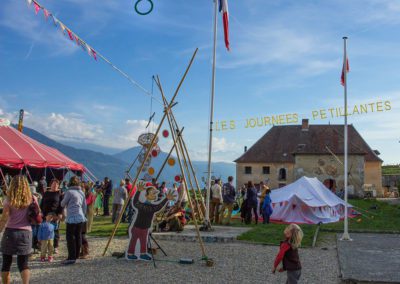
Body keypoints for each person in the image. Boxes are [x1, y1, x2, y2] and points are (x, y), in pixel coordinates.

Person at [0, 175, 35, 284]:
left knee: (6, 262)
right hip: (26, 233)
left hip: (10, 232)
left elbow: (4, 218)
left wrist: (0, 229)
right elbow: (36, 215)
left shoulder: (8, 200)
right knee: (23, 263)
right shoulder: (32, 199)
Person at [126, 181, 174, 261]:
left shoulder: (151, 206)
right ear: (146, 195)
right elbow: (135, 203)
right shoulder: (144, 206)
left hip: (145, 228)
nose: (154, 195)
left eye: (155, 194)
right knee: (133, 240)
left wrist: (166, 199)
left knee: (143, 240)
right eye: (152, 193)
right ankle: (131, 253)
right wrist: (138, 191)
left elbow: (158, 207)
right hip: (137, 227)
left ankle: (143, 253)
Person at [60, 176, 87, 265]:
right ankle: (76, 255)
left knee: (70, 237)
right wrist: (83, 214)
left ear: (70, 183)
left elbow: (63, 203)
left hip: (72, 216)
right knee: (78, 236)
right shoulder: (81, 192)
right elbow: (84, 206)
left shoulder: (69, 192)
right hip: (80, 216)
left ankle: (71, 257)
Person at [40, 179, 63, 254]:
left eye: (56, 184)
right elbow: (42, 203)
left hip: (55, 214)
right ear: (51, 184)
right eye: (53, 184)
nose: (55, 186)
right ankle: (44, 247)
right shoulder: (46, 193)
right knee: (45, 230)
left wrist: (60, 213)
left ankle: (55, 247)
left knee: (55, 231)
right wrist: (41, 211)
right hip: (45, 214)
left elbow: (61, 205)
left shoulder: (59, 193)